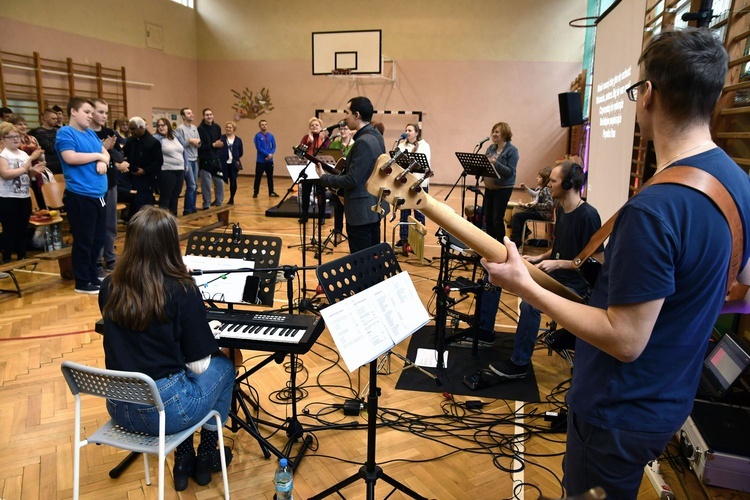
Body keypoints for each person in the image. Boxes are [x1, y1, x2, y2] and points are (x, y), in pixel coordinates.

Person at [481, 28, 750, 498]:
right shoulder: (738, 184)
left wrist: (527, 287)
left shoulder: (655, 209)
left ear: (648, 95)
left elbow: (625, 340)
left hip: (618, 410)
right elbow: (739, 281)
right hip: (668, 399)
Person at [98, 206, 235, 491]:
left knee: (176, 372)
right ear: (171, 244)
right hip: (168, 414)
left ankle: (183, 456)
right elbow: (199, 366)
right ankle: (209, 451)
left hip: (119, 408)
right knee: (224, 365)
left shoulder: (110, 285)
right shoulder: (180, 288)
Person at [488, 161, 600, 379]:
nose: (548, 184)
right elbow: (558, 248)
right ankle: (486, 334)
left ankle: (519, 363)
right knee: (500, 276)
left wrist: (560, 263)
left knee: (530, 304)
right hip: (556, 276)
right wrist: (539, 257)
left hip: (575, 284)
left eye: (554, 181)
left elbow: (596, 260)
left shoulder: (588, 215)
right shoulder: (560, 209)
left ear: (568, 184)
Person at [456, 122, 519, 348]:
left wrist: (496, 163)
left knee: (495, 220)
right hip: (489, 188)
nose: (494, 134)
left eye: (497, 132)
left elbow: (509, 171)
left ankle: (500, 249)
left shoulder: (511, 151)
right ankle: (489, 246)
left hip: (503, 188)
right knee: (487, 218)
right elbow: (485, 165)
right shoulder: (490, 149)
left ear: (505, 134)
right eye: (492, 131)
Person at [55, 97, 110, 294]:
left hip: (98, 195)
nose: (91, 116)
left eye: (91, 112)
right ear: (73, 112)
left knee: (97, 239)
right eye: (86, 112)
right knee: (84, 239)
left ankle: (92, 275)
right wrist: (98, 157)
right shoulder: (66, 133)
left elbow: (106, 153)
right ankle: (82, 281)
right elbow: (70, 157)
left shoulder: (90, 134)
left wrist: (104, 160)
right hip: (80, 195)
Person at [316, 96, 385, 253]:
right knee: (373, 260)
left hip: (361, 212)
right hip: (373, 208)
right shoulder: (376, 136)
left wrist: (324, 177)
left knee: (362, 261)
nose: (345, 116)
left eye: (347, 112)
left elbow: (352, 179)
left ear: (357, 115)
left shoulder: (363, 142)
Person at [0, 122, 46, 263]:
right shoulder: (3, 155)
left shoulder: (23, 154)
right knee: (10, 229)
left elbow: (27, 173)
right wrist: (30, 161)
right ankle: (7, 258)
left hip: (23, 195)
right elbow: (5, 174)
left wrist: (33, 170)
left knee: (22, 227)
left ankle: (22, 255)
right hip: (8, 197)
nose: (15, 139)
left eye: (17, 136)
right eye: (11, 137)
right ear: (3, 139)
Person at [90, 100, 121, 276]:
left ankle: (110, 258)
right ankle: (96, 260)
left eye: (106, 113)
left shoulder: (109, 132)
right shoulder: (86, 134)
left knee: (111, 223)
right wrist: (102, 148)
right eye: (100, 112)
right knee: (96, 225)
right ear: (91, 113)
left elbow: (118, 155)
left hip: (110, 183)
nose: (104, 116)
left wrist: (109, 149)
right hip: (93, 185)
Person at [395, 123, 431, 247]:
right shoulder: (401, 145)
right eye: (406, 130)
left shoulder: (424, 146)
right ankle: (404, 239)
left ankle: (417, 240)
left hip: (419, 183)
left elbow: (425, 164)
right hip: (405, 184)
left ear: (416, 133)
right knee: (404, 212)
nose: (407, 132)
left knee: (419, 212)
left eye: (410, 130)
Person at [123, 117, 162, 214]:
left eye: (133, 129)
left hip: (147, 179)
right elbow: (124, 154)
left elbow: (158, 161)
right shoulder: (130, 141)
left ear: (141, 127)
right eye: (130, 128)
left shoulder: (153, 142)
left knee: (144, 206)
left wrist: (145, 170)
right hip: (131, 178)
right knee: (134, 205)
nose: (130, 131)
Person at [509, 165, 553, 246]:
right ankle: (523, 234)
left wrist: (536, 205)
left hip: (542, 214)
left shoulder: (546, 190)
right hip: (539, 211)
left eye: (539, 177)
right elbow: (535, 197)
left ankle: (516, 239)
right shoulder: (541, 189)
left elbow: (549, 205)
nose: (536, 178)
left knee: (517, 216)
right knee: (517, 212)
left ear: (545, 179)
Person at [298, 117, 331, 223]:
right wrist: (310, 141)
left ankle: (321, 216)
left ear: (321, 127)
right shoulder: (305, 138)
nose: (314, 127)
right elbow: (300, 152)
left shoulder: (326, 139)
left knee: (321, 194)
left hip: (321, 168)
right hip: (308, 168)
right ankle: (304, 215)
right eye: (312, 125)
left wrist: (320, 140)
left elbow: (328, 153)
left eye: (316, 125)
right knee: (306, 193)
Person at [328, 124, 355, 243]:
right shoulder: (334, 144)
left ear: (350, 131)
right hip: (337, 179)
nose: (343, 131)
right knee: (337, 208)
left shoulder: (355, 145)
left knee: (350, 209)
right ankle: (337, 234)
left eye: (345, 129)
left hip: (348, 180)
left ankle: (351, 235)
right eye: (341, 129)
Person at [155, 118, 185, 215]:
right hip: (167, 170)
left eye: (163, 125)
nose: (161, 127)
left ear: (168, 126)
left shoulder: (175, 137)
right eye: (158, 126)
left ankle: (173, 217)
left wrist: (186, 164)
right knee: (166, 195)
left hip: (180, 169)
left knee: (175, 195)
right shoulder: (157, 139)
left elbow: (183, 151)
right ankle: (162, 219)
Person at [174, 108, 201, 215]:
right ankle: (187, 209)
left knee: (195, 186)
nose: (192, 115)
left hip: (195, 158)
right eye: (188, 113)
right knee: (191, 185)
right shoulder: (180, 129)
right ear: (183, 116)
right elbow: (179, 145)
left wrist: (197, 143)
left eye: (191, 112)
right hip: (187, 160)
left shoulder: (194, 127)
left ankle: (193, 207)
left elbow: (199, 142)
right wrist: (189, 141)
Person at [197, 108, 224, 209]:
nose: (209, 116)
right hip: (205, 160)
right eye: (207, 115)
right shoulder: (200, 129)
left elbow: (219, 141)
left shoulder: (217, 127)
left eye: (211, 114)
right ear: (203, 116)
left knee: (219, 182)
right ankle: (206, 204)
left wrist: (220, 145)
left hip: (216, 159)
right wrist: (213, 145)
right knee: (206, 185)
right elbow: (201, 147)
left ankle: (219, 201)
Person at [30, 108, 62, 175]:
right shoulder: (39, 132)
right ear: (45, 118)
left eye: (56, 118)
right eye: (53, 119)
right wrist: (58, 137)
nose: (56, 120)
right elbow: (50, 148)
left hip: (61, 164)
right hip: (49, 165)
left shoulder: (58, 130)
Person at [219, 121, 243, 205]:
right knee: (220, 181)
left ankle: (231, 198)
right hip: (223, 163)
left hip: (233, 164)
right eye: (227, 127)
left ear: (234, 129)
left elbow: (241, 152)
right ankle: (218, 199)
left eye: (230, 127)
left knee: (233, 181)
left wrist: (235, 157)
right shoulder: (221, 138)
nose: (228, 129)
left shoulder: (238, 140)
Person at [253, 119, 277, 198]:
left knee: (270, 177)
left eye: (265, 124)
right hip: (260, 161)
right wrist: (267, 154)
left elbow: (274, 146)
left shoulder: (271, 136)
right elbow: (259, 148)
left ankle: (271, 191)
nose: (264, 126)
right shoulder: (258, 136)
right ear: (260, 126)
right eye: (262, 124)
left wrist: (271, 154)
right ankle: (256, 192)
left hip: (270, 161)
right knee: (258, 177)